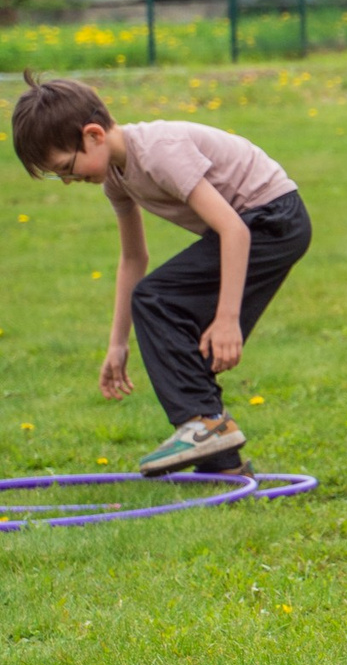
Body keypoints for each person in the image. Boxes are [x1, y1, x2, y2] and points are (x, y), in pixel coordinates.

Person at [12, 74, 313, 476]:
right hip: (256, 225)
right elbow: (133, 258)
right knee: (185, 345)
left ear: (94, 135)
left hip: (272, 219)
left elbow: (234, 230)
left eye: (67, 167)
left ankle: (205, 427)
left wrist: (227, 319)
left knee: (157, 300)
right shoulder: (116, 178)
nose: (68, 180)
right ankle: (223, 469)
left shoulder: (157, 151)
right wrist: (117, 343)